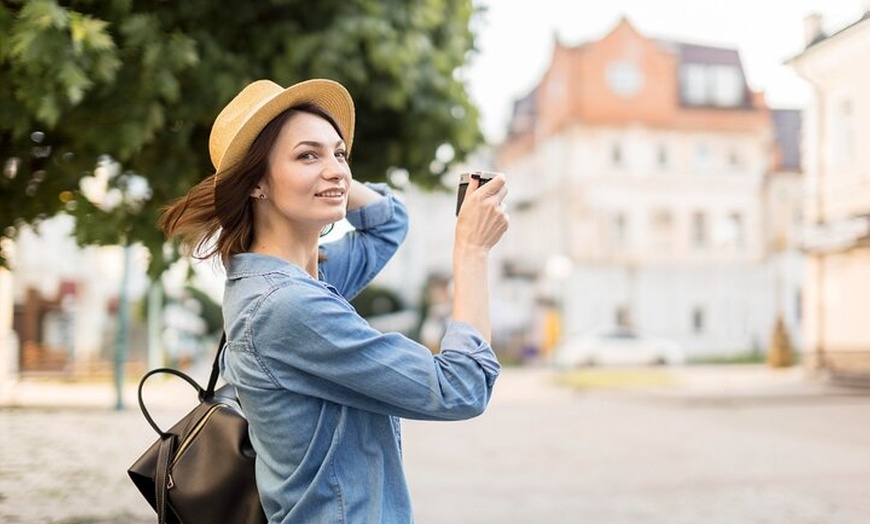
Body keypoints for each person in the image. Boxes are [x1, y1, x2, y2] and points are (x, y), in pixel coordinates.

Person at [158, 78, 509, 523]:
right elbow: (461, 387)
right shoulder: (286, 306)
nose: (339, 170)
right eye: (307, 154)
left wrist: (328, 175)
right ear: (256, 183)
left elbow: (388, 222)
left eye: (340, 153)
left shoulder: (299, 278)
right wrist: (472, 252)